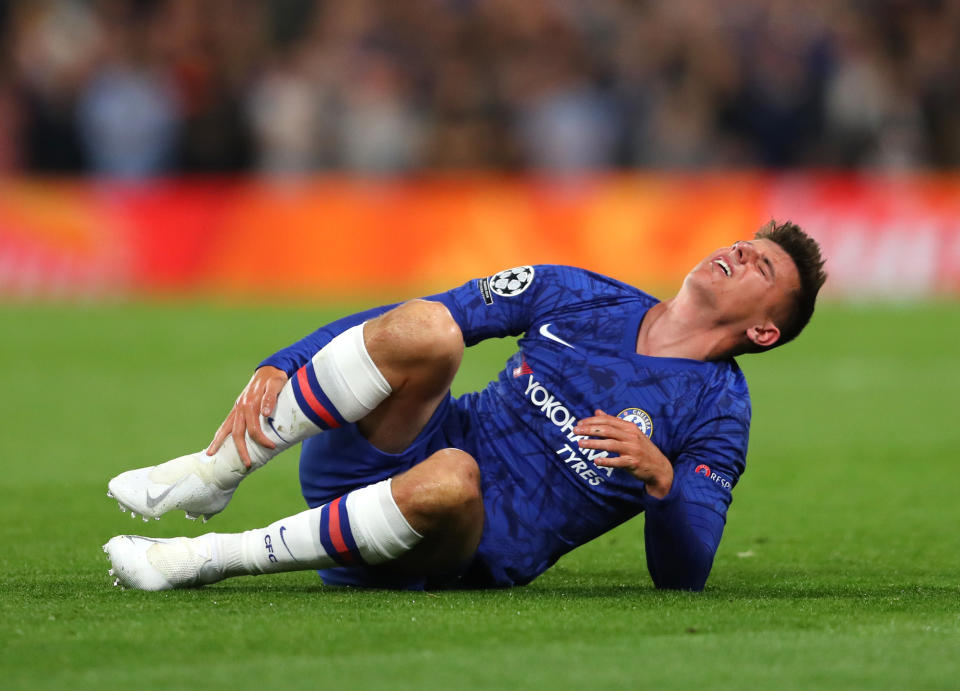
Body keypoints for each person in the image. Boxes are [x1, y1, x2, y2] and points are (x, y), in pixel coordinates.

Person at [103, 220, 826, 592]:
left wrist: (663, 480)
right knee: (430, 328)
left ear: (764, 329)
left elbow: (684, 575)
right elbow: (409, 314)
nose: (737, 254)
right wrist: (284, 360)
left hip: (450, 541)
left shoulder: (717, 410)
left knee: (451, 475)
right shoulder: (580, 293)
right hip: (380, 448)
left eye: (761, 266)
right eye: (742, 244)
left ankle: (202, 559)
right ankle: (215, 472)